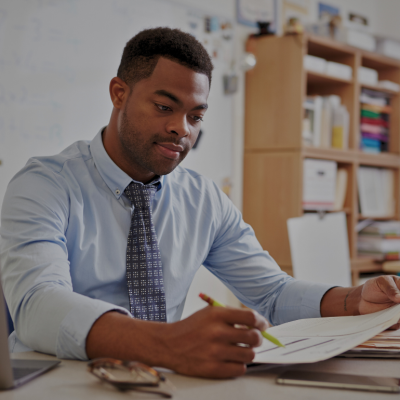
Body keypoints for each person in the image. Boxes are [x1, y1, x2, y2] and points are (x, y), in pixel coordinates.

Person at [1, 27, 400, 379]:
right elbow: (37, 306)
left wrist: (351, 300)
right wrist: (165, 344)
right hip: (59, 383)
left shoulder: (202, 198)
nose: (181, 129)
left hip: (161, 381)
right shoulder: (44, 185)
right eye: (164, 107)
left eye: (196, 116)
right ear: (119, 93)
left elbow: (272, 293)